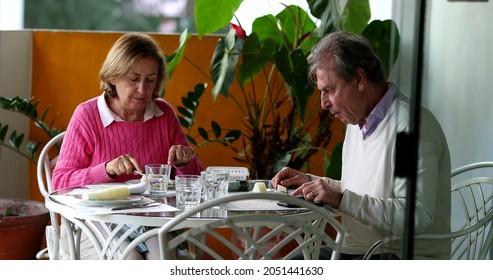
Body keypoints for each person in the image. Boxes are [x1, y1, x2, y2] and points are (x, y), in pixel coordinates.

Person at [271, 31, 451, 260]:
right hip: (359, 251)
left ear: (359, 79)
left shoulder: (408, 131)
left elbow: (414, 215)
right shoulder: (358, 124)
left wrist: (341, 199)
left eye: (329, 90)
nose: (323, 104)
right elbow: (359, 191)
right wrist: (313, 183)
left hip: (397, 257)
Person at [52, 32, 203, 259]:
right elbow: (60, 182)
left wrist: (185, 162)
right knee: (129, 260)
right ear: (113, 76)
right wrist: (107, 170)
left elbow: (196, 178)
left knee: (161, 259)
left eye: (150, 80)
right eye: (133, 79)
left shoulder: (164, 114)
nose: (142, 89)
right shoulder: (88, 114)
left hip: (149, 222)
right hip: (93, 223)